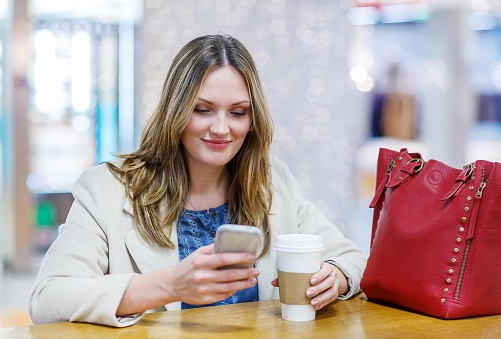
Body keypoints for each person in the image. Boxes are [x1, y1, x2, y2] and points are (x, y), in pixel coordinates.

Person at [28, 34, 366, 327]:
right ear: (175, 111)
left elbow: (353, 259)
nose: (221, 129)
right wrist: (170, 285)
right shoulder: (106, 189)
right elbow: (47, 299)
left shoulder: (272, 181)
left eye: (237, 112)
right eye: (202, 109)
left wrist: (336, 276)